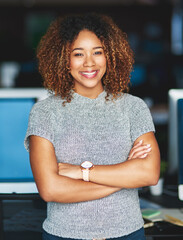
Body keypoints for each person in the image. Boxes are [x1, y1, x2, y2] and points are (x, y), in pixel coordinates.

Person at [24, 13, 160, 240]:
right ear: (63, 60)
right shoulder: (44, 112)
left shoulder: (133, 108)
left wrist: (80, 172)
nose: (89, 62)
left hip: (127, 233)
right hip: (64, 235)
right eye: (78, 54)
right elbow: (50, 189)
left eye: (98, 52)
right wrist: (124, 177)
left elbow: (149, 173)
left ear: (111, 57)